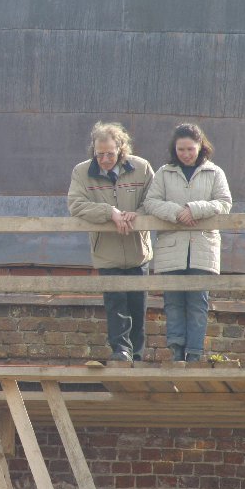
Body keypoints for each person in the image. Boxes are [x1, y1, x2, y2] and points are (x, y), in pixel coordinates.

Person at [144, 123, 232, 362]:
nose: (185, 154)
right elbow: (151, 202)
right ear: (174, 149)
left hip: (202, 247)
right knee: (173, 301)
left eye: (190, 149)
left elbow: (224, 203)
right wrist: (177, 213)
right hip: (171, 246)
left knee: (197, 301)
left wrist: (194, 210)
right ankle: (176, 350)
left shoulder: (214, 172)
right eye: (181, 149)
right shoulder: (164, 173)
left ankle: (194, 352)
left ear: (200, 146)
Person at [67, 122, 154, 362]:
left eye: (110, 154)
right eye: (100, 154)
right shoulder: (82, 172)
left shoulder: (142, 168)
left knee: (137, 307)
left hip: (138, 250)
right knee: (116, 306)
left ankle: (137, 356)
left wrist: (136, 215)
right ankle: (121, 352)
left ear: (121, 149)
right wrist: (110, 212)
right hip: (107, 251)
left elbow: (154, 200)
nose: (104, 159)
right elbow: (76, 205)